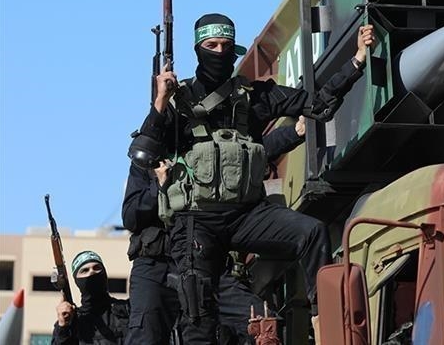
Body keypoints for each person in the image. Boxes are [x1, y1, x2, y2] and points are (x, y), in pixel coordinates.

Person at [129, 12, 373, 343]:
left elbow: (318, 105)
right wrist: (161, 101)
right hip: (196, 221)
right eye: (211, 45)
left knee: (312, 232)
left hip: (247, 215)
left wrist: (356, 61)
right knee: (198, 313)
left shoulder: (255, 96)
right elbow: (143, 150)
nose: (219, 52)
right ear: (198, 49)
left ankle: (329, 326)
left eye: (226, 46)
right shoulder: (178, 101)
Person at [123, 119, 308, 344]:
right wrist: (159, 185)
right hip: (157, 266)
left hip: (205, 262)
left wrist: (294, 132)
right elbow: (131, 217)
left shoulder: (208, 145)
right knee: (145, 335)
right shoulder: (147, 159)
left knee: (264, 324)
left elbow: (252, 152)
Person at [52, 251, 130, 344]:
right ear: (77, 281)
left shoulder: (127, 309)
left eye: (97, 268)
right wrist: (63, 326)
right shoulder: (73, 321)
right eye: (85, 270)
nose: (92, 272)